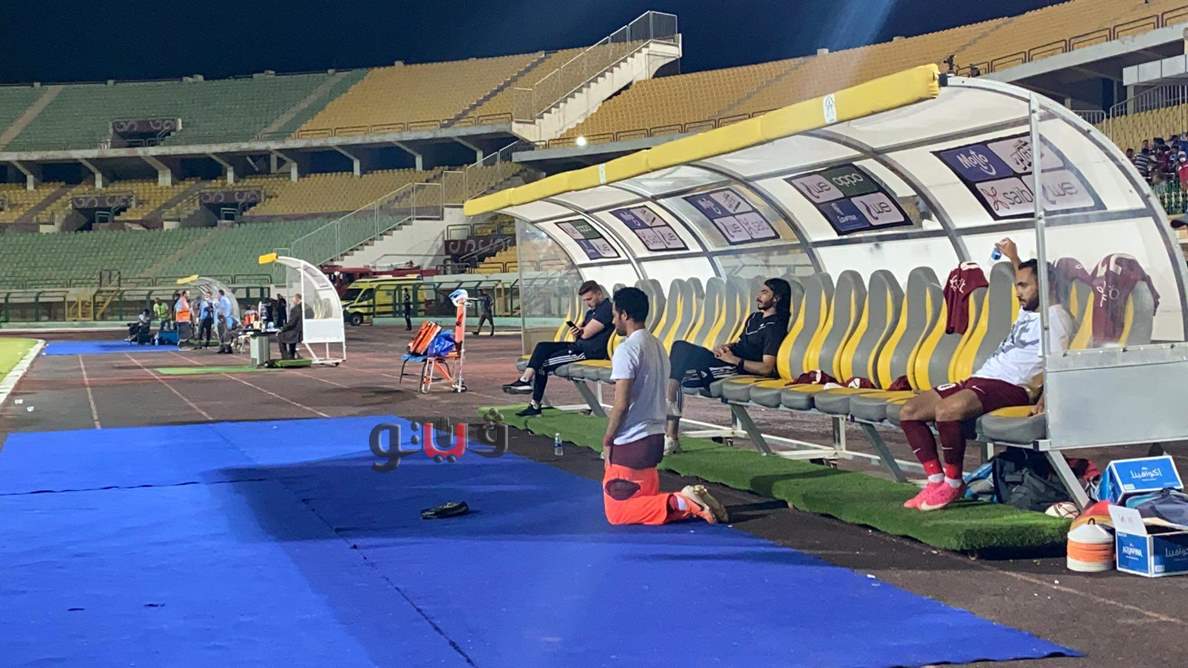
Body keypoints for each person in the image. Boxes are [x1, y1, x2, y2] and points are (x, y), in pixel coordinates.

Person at [899, 237, 1074, 512]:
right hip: (980, 380)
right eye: (1017, 285)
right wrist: (1013, 256)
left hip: (1010, 386)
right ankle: (935, 480)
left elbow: (1058, 364)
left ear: (1045, 286)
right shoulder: (1029, 310)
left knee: (947, 410)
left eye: (1024, 286)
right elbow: (1026, 278)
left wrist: (1045, 398)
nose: (1017, 292)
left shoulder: (1056, 319)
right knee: (910, 411)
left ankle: (953, 483)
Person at [600, 287, 729, 526]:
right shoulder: (658, 346)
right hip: (655, 441)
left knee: (617, 512)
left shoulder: (627, 350)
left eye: (615, 314)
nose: (613, 320)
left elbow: (621, 404)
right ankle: (689, 504)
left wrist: (608, 438)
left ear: (624, 315)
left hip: (630, 443)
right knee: (646, 503)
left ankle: (683, 500)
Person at [664, 278, 792, 454]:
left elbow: (767, 368)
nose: (758, 296)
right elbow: (742, 343)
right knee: (679, 351)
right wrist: (726, 347)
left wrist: (734, 359)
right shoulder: (754, 318)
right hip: (726, 359)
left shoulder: (775, 326)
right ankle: (670, 417)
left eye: (764, 292)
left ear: (776, 298)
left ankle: (670, 426)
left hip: (736, 368)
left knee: (678, 374)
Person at [502, 280, 613, 417]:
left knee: (542, 364)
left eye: (589, 299)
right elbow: (582, 333)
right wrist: (578, 331)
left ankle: (534, 403)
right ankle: (525, 380)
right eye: (585, 300)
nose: (587, 303)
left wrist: (580, 331)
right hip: (578, 346)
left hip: (587, 352)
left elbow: (586, 334)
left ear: (599, 294)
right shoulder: (592, 312)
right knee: (542, 346)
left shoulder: (606, 309)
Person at [278, 293, 304, 360]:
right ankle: (291, 354)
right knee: (290, 335)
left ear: (297, 299)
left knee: (280, 335)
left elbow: (291, 323)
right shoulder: (306, 307)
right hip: (303, 330)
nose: (293, 302)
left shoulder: (295, 309)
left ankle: (285, 356)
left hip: (297, 332)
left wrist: (282, 329)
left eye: (293, 300)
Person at [215, 289, 237, 354]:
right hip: (227, 319)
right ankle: (225, 348)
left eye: (217, 294)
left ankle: (226, 348)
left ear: (220, 294)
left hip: (224, 319)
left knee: (224, 334)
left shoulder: (223, 300)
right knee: (225, 334)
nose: (216, 296)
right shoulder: (226, 300)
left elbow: (222, 310)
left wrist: (220, 317)